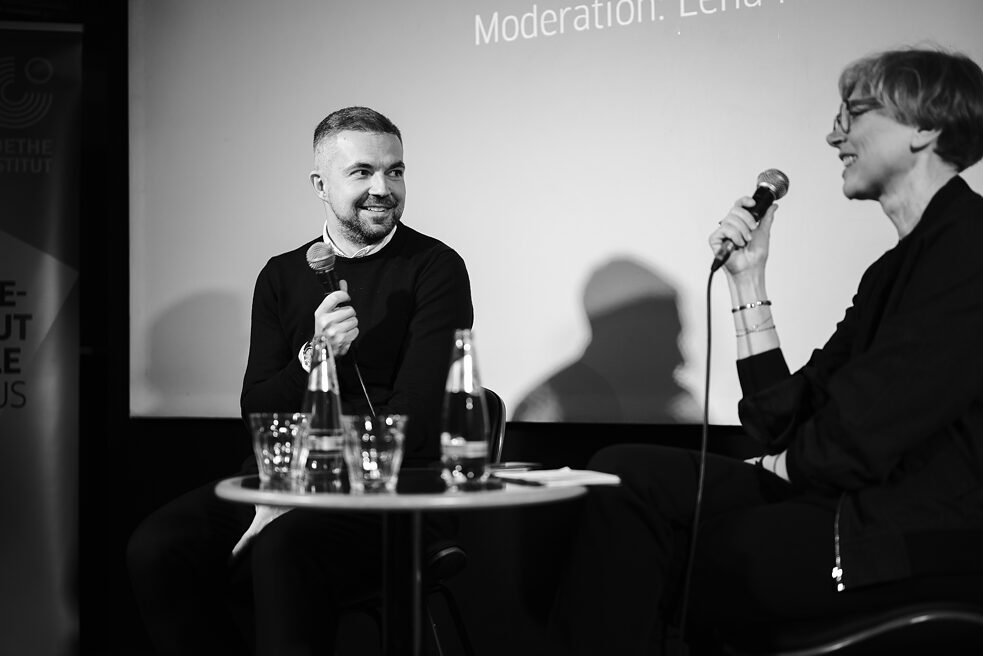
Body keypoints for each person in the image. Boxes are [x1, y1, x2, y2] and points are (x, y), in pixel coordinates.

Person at [548, 47, 983, 655]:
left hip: (907, 531)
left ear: (925, 127)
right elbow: (782, 417)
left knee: (706, 552)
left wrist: (776, 468)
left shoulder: (967, 245)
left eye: (853, 114)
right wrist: (747, 280)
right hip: (844, 494)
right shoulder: (891, 271)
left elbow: (864, 432)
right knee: (622, 472)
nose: (834, 136)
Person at [127, 106, 474, 655]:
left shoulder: (435, 267)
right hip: (283, 479)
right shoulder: (281, 275)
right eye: (362, 172)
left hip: (394, 492)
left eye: (395, 171)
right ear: (320, 185)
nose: (383, 189)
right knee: (158, 548)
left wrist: (309, 493)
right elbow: (258, 408)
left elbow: (417, 415)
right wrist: (315, 355)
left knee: (283, 547)